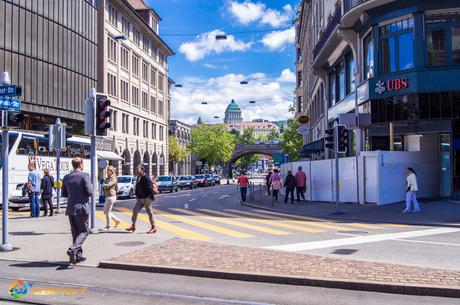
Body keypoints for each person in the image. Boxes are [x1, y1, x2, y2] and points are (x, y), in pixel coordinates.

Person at [61, 157, 93, 264]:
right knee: (84, 230)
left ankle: (78, 256)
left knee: (75, 232)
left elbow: (64, 194)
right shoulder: (85, 176)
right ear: (81, 165)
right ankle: (73, 249)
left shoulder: (66, 177)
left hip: (70, 208)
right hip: (82, 208)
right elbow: (89, 192)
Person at [126, 165, 157, 234]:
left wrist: (150, 197)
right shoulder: (138, 177)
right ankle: (133, 226)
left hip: (146, 198)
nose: (136, 170)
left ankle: (153, 227)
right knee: (135, 211)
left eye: (138, 169)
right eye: (136, 169)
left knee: (149, 212)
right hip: (140, 198)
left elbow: (150, 187)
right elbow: (137, 187)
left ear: (142, 170)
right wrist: (137, 195)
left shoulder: (146, 177)